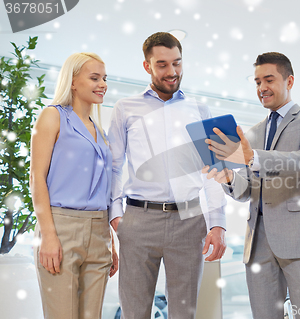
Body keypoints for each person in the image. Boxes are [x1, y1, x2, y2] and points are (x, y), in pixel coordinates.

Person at [203, 52, 300, 319]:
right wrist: (228, 179)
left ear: (290, 80)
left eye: (269, 80)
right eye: (257, 82)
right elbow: (249, 189)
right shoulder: (252, 133)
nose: (262, 88)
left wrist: (250, 157)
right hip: (258, 241)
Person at [107, 32, 227, 319]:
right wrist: (115, 215)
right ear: (147, 66)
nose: (172, 72)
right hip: (138, 219)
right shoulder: (125, 108)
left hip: (189, 220)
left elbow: (214, 169)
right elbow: (114, 165)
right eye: (162, 64)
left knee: (184, 313)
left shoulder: (200, 109)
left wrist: (218, 224)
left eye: (177, 63)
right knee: (134, 312)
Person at [30, 52, 118, 319]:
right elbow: (36, 178)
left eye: (104, 78)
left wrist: (110, 241)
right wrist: (48, 235)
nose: (102, 84)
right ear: (72, 81)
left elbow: (105, 188)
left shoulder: (100, 132)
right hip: (61, 226)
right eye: (94, 78)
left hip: (99, 229)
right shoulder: (52, 117)